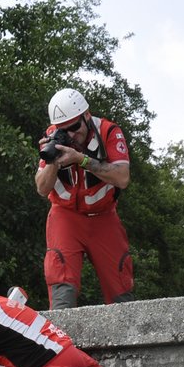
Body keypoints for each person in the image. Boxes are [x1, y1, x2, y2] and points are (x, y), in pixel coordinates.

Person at [36, 87, 135, 309]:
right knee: (61, 284)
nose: (70, 135)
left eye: (74, 127)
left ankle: (128, 340)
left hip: (103, 217)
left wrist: (82, 160)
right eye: (63, 130)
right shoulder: (52, 137)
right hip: (65, 216)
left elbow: (122, 178)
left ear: (87, 116)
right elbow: (42, 188)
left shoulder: (108, 132)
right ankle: (59, 341)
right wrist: (53, 160)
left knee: (120, 287)